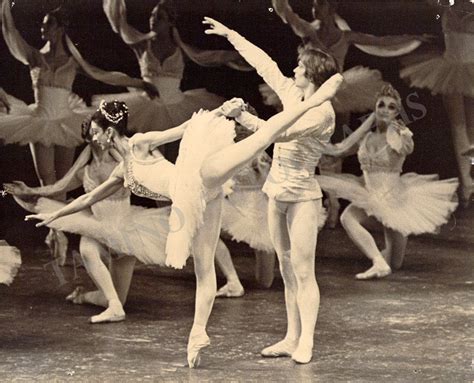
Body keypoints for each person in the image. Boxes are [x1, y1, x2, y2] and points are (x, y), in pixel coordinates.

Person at [25, 73, 343, 368]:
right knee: (204, 272)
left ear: (109, 132)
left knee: (260, 141)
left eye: (94, 132)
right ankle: (197, 334)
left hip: (199, 175)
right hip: (197, 201)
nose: (92, 139)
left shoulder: (140, 142)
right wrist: (54, 214)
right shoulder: (120, 171)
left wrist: (220, 113)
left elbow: (181, 130)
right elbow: (87, 198)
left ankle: (315, 101)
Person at [203, 16, 338, 364]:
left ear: (312, 74)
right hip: (275, 192)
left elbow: (278, 134)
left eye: (300, 67)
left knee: (304, 271)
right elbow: (265, 66)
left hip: (302, 197)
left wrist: (243, 116)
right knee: (286, 269)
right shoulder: (295, 95)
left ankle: (306, 339)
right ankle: (291, 336)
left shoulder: (322, 113)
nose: (294, 70)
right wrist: (232, 33)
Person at [0, 0, 158, 262]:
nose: (42, 28)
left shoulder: (72, 59)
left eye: (47, 24)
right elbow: (10, 33)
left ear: (60, 28)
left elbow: (103, 75)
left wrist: (137, 82)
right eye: (42, 24)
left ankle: (58, 231)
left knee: (63, 179)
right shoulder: (34, 56)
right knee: (47, 180)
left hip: (66, 120)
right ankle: (55, 233)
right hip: (40, 121)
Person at [4, 101, 170, 323]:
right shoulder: (85, 170)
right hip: (98, 226)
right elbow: (59, 186)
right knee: (88, 249)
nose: (94, 139)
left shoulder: (119, 163)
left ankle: (87, 297)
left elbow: (138, 170)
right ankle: (113, 308)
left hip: (125, 231)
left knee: (117, 297)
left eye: (96, 133)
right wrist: (30, 190)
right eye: (90, 135)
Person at [271, 0, 430, 227]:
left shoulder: (345, 36)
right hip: (312, 95)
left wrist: (413, 39)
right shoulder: (307, 30)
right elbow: (284, 12)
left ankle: (333, 202)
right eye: (314, 5)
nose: (315, 10)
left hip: (340, 95)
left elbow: (380, 42)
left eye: (320, 5)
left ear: (331, 8)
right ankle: (314, 201)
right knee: (308, 145)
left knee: (335, 146)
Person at [315, 84, 458, 278]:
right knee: (347, 218)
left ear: (397, 112)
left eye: (391, 107)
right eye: (381, 105)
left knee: (396, 263)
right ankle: (378, 261)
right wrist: (310, 142)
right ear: (374, 109)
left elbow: (406, 147)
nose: (385, 110)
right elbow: (338, 150)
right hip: (369, 197)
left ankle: (383, 260)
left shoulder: (399, 134)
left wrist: (401, 133)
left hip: (394, 202)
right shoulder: (365, 137)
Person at [98, 0, 251, 161]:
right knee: (146, 154)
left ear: (170, 22)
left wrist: (243, 54)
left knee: (173, 154)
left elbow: (211, 56)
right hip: (148, 107)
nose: (153, 20)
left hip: (177, 107)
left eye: (159, 17)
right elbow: (120, 25)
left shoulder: (180, 50)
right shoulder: (142, 45)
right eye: (152, 15)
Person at [400, 0, 474, 207]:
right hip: (450, 70)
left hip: (468, 70)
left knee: (469, 128)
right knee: (458, 127)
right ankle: (467, 183)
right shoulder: (444, 10)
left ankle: (470, 181)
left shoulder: (449, 10)